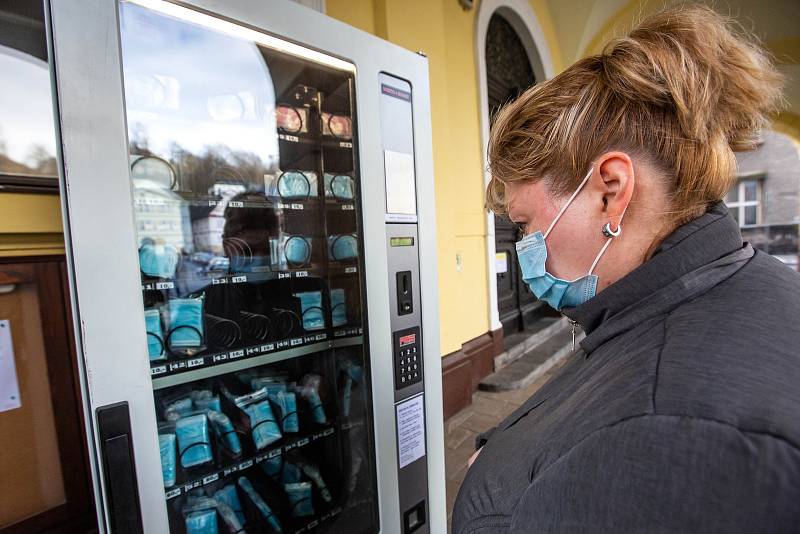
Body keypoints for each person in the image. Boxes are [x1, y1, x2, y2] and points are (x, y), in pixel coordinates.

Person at [452, 5, 800, 533]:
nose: (523, 246)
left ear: (611, 192)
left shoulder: (669, 435)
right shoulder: (732, 285)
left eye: (524, 224)